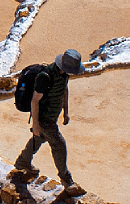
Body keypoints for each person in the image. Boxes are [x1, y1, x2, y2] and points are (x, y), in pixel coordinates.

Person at [12, 48, 87, 195]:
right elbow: (35, 101)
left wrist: (66, 112)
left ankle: (22, 162)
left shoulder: (64, 74)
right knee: (59, 145)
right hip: (44, 119)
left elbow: (64, 91)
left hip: (52, 116)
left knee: (39, 139)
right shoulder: (45, 77)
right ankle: (67, 181)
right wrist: (36, 125)